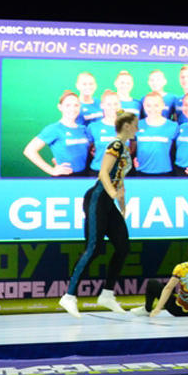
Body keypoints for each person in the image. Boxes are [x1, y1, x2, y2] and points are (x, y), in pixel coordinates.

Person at [58, 111, 140, 317]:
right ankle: (68, 296)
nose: (138, 127)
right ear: (128, 125)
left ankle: (107, 294)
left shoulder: (126, 149)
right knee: (94, 248)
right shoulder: (116, 145)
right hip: (97, 198)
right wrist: (113, 193)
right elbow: (104, 173)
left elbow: (119, 177)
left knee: (123, 246)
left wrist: (122, 202)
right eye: (135, 124)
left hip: (109, 201)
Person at [136, 238, 188, 317]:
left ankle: (147, 309)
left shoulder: (180, 267)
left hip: (178, 310)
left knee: (152, 283)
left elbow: (168, 288)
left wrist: (158, 308)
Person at [23, 90, 93, 176]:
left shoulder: (83, 129)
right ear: (60, 107)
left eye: (76, 105)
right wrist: (51, 170)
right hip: (65, 177)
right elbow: (29, 150)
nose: (72, 109)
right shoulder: (54, 129)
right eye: (68, 105)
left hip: (85, 174)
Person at [133, 92, 178, 176]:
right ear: (144, 106)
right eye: (148, 105)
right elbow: (131, 147)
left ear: (163, 105)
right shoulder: (137, 125)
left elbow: (180, 150)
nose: (152, 109)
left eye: (156, 105)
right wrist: (132, 160)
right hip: (141, 172)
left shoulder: (173, 126)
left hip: (165, 173)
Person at [86, 90, 127, 176]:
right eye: (109, 104)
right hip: (98, 172)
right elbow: (87, 148)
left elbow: (132, 149)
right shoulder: (93, 127)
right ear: (102, 105)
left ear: (120, 105)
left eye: (115, 104)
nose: (113, 107)